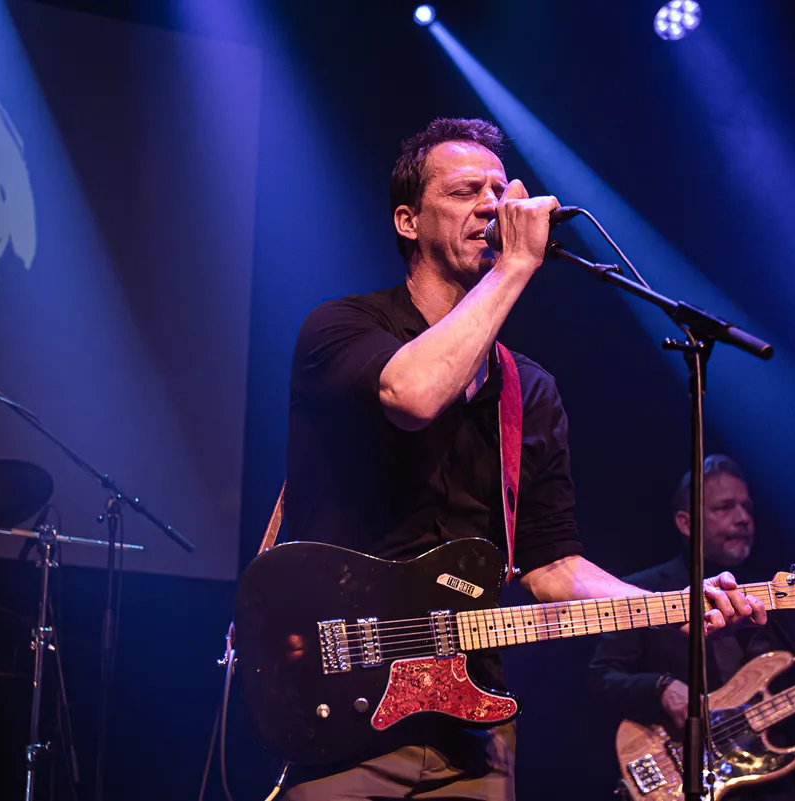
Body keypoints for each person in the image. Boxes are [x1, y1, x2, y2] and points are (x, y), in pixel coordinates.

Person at [278, 118, 767, 800]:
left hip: (469, 722)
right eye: (464, 192)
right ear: (408, 221)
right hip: (345, 707)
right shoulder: (343, 327)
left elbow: (550, 565)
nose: (491, 205)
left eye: (498, 189)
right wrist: (513, 268)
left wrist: (664, 606)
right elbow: (412, 394)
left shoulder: (527, 389)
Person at [588, 454, 795, 801]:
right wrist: (661, 687)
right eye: (725, 507)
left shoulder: (785, 597)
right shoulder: (645, 591)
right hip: (680, 779)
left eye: (747, 507)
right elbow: (600, 679)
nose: (743, 517)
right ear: (686, 523)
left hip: (774, 788)